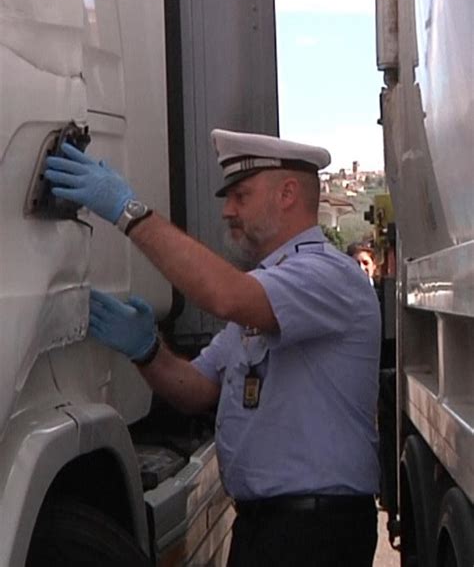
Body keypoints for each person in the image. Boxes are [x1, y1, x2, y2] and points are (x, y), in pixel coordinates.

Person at [44, 129, 381, 567]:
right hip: (269, 528)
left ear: (288, 194)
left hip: (314, 531)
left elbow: (226, 297)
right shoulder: (271, 285)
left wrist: (129, 213)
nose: (227, 210)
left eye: (240, 195)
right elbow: (197, 389)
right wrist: (147, 349)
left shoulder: (326, 275)